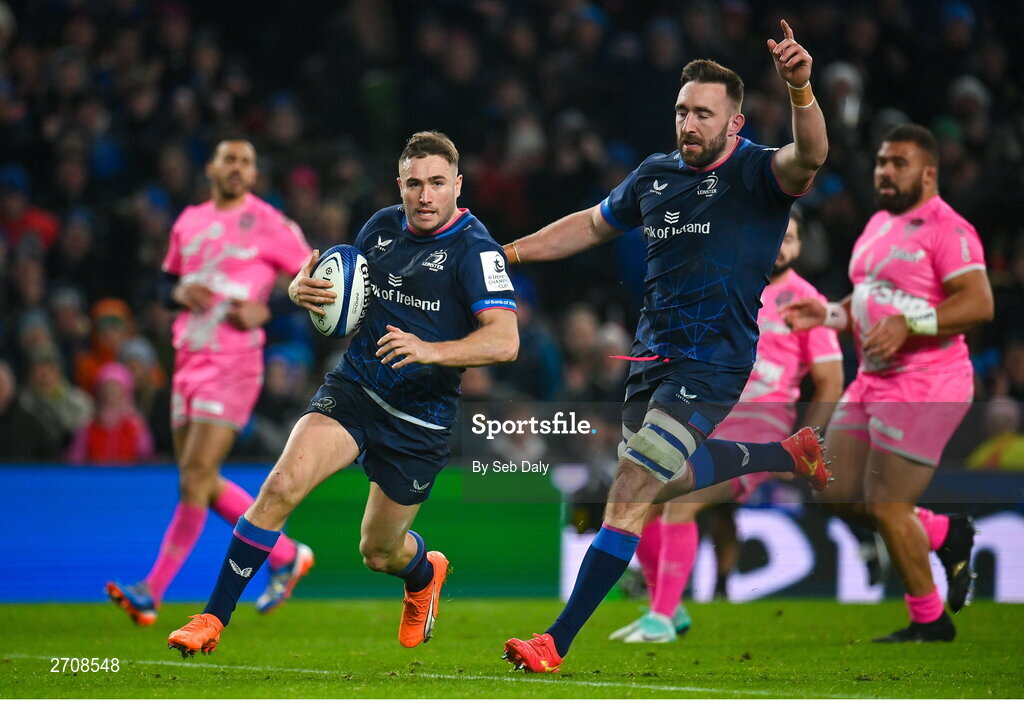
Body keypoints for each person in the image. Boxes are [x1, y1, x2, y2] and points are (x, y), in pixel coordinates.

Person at [501, 21, 830, 673]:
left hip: (713, 363)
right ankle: (782, 453)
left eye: (703, 113)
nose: (689, 122)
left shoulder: (757, 173)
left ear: (734, 123)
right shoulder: (654, 176)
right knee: (663, 482)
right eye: (682, 110)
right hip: (651, 360)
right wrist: (509, 252)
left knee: (629, 483)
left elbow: (811, 156)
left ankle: (555, 641)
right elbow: (590, 226)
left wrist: (800, 89)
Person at [165, 131, 519, 656]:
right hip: (357, 387)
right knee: (281, 485)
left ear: (457, 186)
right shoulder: (379, 228)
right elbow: (341, 300)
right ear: (399, 185)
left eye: (437, 184)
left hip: (419, 417)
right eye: (415, 184)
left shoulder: (475, 249)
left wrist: (430, 350)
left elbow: (505, 340)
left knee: (378, 552)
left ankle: (424, 573)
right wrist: (298, 292)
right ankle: (212, 618)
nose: (425, 196)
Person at [785, 123, 994, 643]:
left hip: (927, 383)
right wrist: (830, 313)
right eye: (881, 161)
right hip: (873, 381)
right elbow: (869, 299)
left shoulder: (949, 229)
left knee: (886, 505)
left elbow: (979, 303)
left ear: (927, 173)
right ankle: (945, 532)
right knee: (829, 488)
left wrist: (912, 324)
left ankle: (929, 621)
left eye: (897, 163)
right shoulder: (878, 223)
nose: (884, 171)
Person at [106, 139, 315, 626]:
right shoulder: (189, 221)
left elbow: (318, 276)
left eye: (247, 160)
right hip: (189, 358)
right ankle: (286, 556)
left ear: (255, 172)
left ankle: (150, 591)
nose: (238, 167)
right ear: (211, 168)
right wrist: (177, 289)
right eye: (230, 159)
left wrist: (272, 307)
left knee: (196, 475)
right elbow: (163, 286)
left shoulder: (269, 222)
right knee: (196, 478)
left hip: (235, 363)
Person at [609, 210, 844, 643]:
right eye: (776, 236)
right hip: (705, 416)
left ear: (800, 247)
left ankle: (661, 619)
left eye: (790, 239)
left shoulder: (806, 301)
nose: (781, 246)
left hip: (760, 426)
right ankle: (668, 608)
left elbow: (830, 378)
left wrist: (803, 442)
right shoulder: (728, 287)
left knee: (682, 504)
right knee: (636, 493)